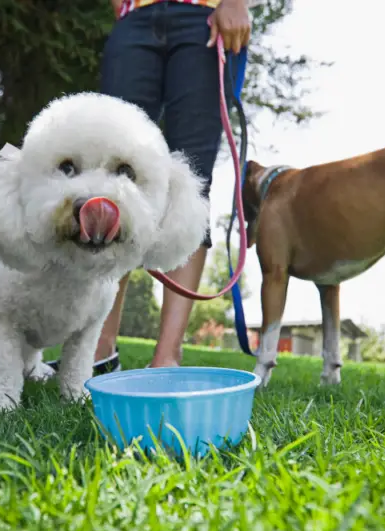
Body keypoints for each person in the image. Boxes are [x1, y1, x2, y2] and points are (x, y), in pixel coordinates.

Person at [86, 0, 253, 373]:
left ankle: (166, 358)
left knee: (190, 184)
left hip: (205, 17)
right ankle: (98, 348)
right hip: (136, 18)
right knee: (112, 176)